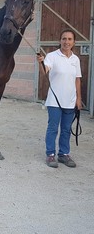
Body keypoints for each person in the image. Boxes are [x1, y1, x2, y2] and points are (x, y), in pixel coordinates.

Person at [37, 29, 82, 168]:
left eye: (69, 39)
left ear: (74, 42)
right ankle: (50, 155)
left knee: (66, 129)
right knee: (53, 128)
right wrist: (41, 62)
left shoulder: (76, 59)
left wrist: (78, 98)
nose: (66, 42)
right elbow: (45, 72)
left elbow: (77, 80)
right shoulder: (52, 56)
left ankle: (63, 154)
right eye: (64, 39)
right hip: (54, 100)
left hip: (70, 100)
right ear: (60, 41)